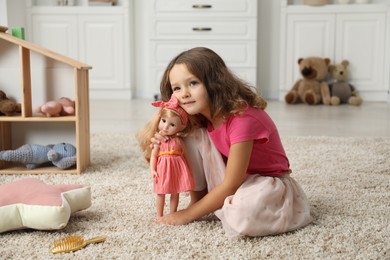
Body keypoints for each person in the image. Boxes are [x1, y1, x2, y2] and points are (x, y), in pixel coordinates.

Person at [149, 47, 312, 238]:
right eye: (177, 88)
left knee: (243, 216)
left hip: (268, 183)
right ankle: (199, 200)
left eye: (193, 83)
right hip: (236, 177)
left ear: (214, 83)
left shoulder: (242, 118)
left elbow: (231, 184)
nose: (184, 94)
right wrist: (163, 140)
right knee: (186, 135)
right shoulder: (201, 117)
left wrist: (186, 216)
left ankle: (211, 205)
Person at [137, 95, 195, 218]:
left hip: (176, 169)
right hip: (162, 168)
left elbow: (185, 156)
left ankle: (172, 213)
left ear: (181, 127)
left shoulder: (179, 141)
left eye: (172, 125)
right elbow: (154, 156)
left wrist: (187, 171)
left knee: (175, 192)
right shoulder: (159, 140)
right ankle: (159, 215)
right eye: (163, 121)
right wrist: (152, 169)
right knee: (160, 192)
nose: (166, 127)